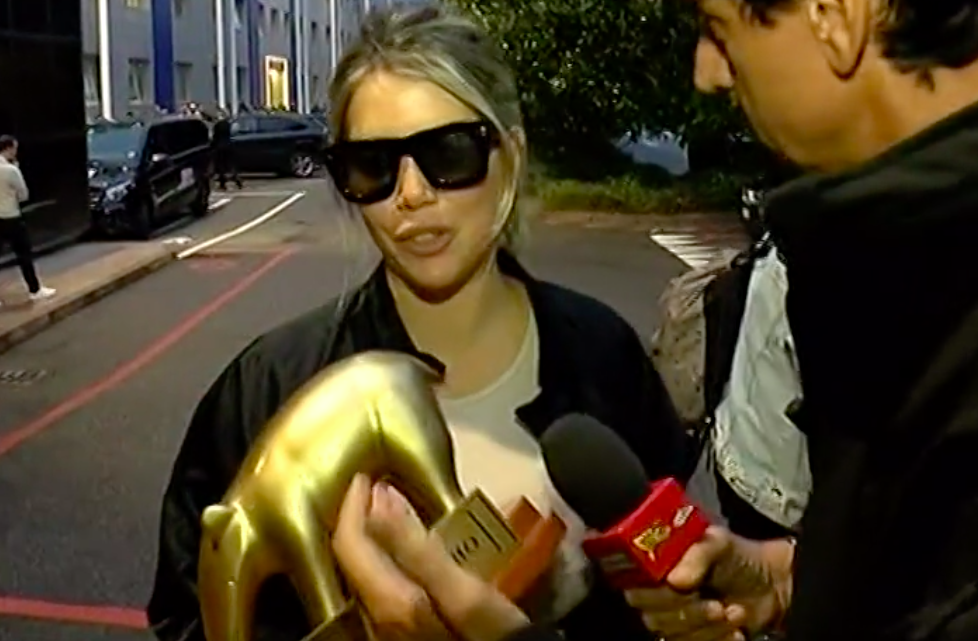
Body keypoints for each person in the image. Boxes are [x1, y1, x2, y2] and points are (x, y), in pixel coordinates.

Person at [146, 6, 690, 641]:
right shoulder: (267, 390)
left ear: (511, 157)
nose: (410, 194)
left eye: (448, 153)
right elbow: (190, 614)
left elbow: (669, 582)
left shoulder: (604, 353)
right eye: (371, 166)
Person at [626, 0, 978, 638]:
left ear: (833, 16)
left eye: (717, 29)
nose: (708, 74)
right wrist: (792, 581)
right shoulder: (892, 253)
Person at [0, 135, 55, 304]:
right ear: (9, 148)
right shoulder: (10, 170)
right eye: (15, 148)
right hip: (11, 217)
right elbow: (24, 195)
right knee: (24, 255)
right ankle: (35, 290)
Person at [211, 109, 242, 190]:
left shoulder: (217, 125)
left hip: (220, 146)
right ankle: (237, 179)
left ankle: (223, 184)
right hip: (229, 145)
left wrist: (212, 145)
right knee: (231, 164)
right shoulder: (228, 124)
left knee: (221, 165)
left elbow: (215, 137)